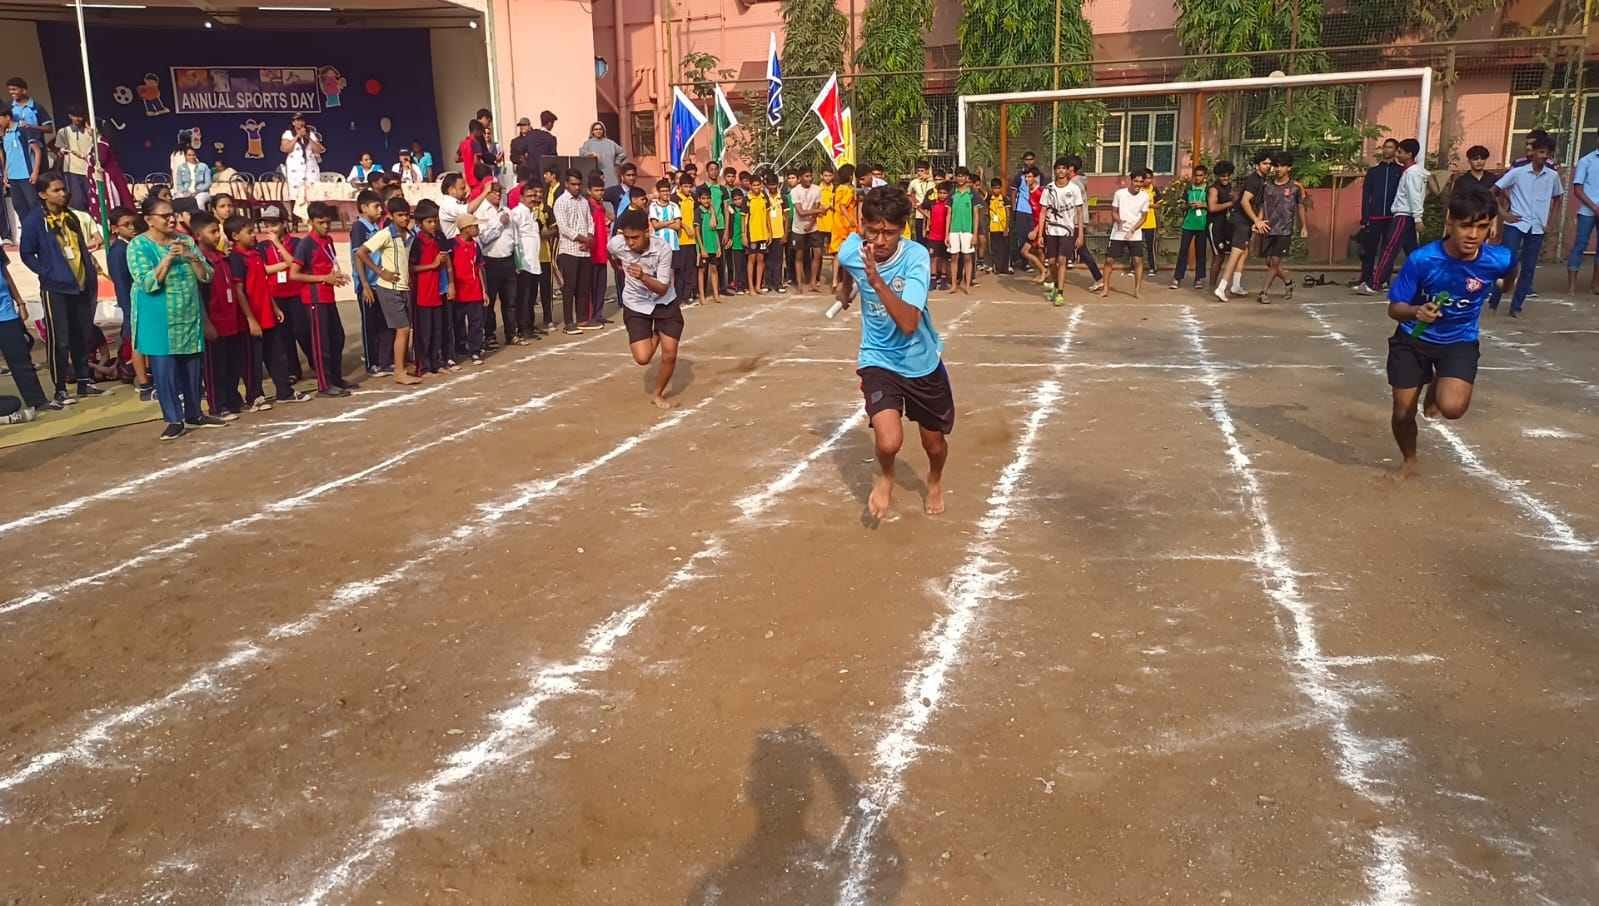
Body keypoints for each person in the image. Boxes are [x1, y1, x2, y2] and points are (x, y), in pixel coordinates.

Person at [834, 186, 948, 520]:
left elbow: (909, 323)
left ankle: (935, 479)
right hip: (878, 358)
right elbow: (845, 260)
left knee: (934, 444)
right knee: (888, 442)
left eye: (890, 233)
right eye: (874, 231)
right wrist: (845, 287)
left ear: (903, 229)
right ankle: (886, 476)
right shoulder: (853, 249)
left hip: (920, 361)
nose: (881, 241)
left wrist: (876, 281)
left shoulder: (916, 257)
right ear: (863, 225)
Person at [1386, 189, 1515, 481]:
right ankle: (1409, 460)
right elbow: (1394, 309)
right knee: (1403, 413)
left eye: (1482, 227)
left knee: (1452, 408)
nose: (1473, 235)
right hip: (1413, 339)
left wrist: (1504, 287)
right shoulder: (1423, 259)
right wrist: (1416, 311)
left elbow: (1511, 270)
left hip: (1459, 340)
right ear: (1450, 222)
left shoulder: (1499, 259)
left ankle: (1437, 382)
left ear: (1491, 226)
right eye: (1465, 226)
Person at [128, 195, 224, 440]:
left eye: (172, 215)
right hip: (158, 316)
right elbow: (147, 283)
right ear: (149, 220)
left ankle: (195, 413)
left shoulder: (185, 240)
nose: (171, 219)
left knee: (192, 366)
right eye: (164, 216)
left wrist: (191, 257)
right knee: (165, 370)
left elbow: (207, 276)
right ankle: (173, 419)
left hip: (188, 312)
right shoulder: (138, 246)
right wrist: (168, 259)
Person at [20, 173, 103, 405]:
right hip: (55, 287)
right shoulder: (35, 220)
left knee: (81, 334)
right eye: (56, 190)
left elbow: (79, 246)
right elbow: (27, 253)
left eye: (63, 189)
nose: (63, 193)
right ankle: (60, 388)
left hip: (80, 284)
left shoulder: (71, 216)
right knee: (60, 338)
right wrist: (46, 271)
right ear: (42, 194)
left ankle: (84, 381)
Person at [228, 214, 311, 403]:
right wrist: (250, 320)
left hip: (266, 312)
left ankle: (285, 392)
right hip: (252, 316)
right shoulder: (236, 258)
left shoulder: (256, 254)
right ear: (235, 236)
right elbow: (239, 291)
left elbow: (263, 283)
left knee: (276, 354)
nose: (254, 235)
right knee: (253, 359)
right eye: (249, 232)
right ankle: (255, 395)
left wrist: (274, 307)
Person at [607, 207, 683, 410]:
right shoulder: (618, 244)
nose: (630, 243)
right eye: (627, 237)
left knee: (669, 354)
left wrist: (642, 276)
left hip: (664, 302)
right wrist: (617, 267)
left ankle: (658, 394)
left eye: (635, 237)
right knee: (642, 358)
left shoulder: (663, 249)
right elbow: (610, 250)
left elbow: (663, 288)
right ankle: (657, 332)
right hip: (636, 304)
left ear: (647, 231)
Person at [1490, 133, 1562, 318]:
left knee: (1529, 268)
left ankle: (1516, 307)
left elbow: (1558, 198)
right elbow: (1493, 191)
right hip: (1516, 224)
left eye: (1547, 153)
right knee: (1507, 262)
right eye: (1541, 152)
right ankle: (1495, 298)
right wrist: (1503, 213)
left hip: (1537, 226)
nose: (1544, 156)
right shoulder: (1518, 172)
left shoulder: (1552, 176)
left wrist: (1550, 221)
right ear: (1533, 153)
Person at [354, 197, 422, 383]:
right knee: (403, 328)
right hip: (389, 289)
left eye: (407, 215)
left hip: (404, 287)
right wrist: (380, 272)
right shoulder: (385, 234)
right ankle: (399, 372)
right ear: (391, 216)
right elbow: (361, 252)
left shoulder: (410, 234)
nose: (404, 218)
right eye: (400, 215)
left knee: (404, 329)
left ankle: (401, 365)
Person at [288, 200, 352, 396]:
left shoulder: (328, 240)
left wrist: (335, 277)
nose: (325, 226)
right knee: (321, 342)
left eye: (327, 222)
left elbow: (327, 266)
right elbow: (294, 274)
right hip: (314, 299)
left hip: (328, 296)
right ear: (311, 222)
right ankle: (324, 384)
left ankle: (335, 378)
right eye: (320, 222)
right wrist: (324, 278)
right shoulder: (306, 244)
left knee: (337, 337)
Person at [191, 211, 249, 418]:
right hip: (214, 322)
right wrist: (207, 324)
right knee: (215, 367)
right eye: (213, 232)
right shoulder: (198, 261)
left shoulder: (222, 257)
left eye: (219, 231)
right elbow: (199, 296)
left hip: (230, 320)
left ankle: (233, 399)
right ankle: (218, 405)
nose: (218, 236)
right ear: (198, 235)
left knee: (232, 364)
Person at [1370, 138, 1429, 295]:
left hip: (1404, 215)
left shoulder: (1412, 173)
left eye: (1400, 152)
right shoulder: (1414, 172)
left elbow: (1414, 196)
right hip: (1406, 215)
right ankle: (1426, 282)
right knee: (1413, 252)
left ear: (1409, 154)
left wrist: (1418, 218)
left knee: (1389, 249)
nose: (1397, 154)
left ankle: (1375, 283)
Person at [257, 205, 308, 382]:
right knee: (285, 335)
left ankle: (316, 364)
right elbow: (264, 269)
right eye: (266, 225)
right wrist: (286, 264)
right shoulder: (262, 247)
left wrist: (278, 245)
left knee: (303, 330)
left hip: (297, 292)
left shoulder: (295, 243)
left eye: (274, 224)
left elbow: (296, 264)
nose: (270, 229)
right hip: (276, 295)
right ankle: (293, 370)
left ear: (284, 224)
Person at [1214, 151, 1272, 302]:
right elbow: (1244, 201)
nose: (1268, 166)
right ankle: (1221, 288)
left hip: (1246, 221)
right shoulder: (1254, 180)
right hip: (1240, 221)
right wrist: (1256, 220)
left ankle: (1236, 285)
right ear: (1257, 165)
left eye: (1269, 164)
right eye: (1265, 163)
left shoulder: (1263, 180)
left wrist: (1256, 221)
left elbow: (1260, 203)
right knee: (1235, 254)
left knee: (1244, 252)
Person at [106, 207, 151, 399]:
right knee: (136, 341)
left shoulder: (132, 245)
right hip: (132, 303)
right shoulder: (118, 251)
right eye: (126, 225)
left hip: (140, 301)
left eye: (134, 223)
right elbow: (122, 283)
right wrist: (129, 307)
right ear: (115, 228)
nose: (132, 228)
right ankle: (141, 380)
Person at [0, 246, 50, 416]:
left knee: (20, 358)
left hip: (6, 313)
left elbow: (6, 275)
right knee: (11, 404)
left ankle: (37, 401)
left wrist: (20, 303)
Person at [348, 190, 391, 375]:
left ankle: (384, 361)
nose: (380, 210)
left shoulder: (377, 228)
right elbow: (358, 256)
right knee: (369, 326)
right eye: (376, 206)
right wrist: (364, 284)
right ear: (364, 208)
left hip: (379, 283)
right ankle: (371, 363)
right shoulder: (359, 228)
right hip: (367, 285)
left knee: (383, 323)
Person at [1257, 152, 1308, 303]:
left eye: (1282, 166)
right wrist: (1258, 222)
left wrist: (1304, 226)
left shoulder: (1295, 187)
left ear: (1289, 168)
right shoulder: (1267, 186)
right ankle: (1288, 281)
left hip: (1284, 230)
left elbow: (1301, 207)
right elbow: (1262, 205)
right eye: (1276, 166)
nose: (1278, 169)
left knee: (1274, 261)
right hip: (1268, 228)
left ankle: (1263, 292)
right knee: (1269, 262)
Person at [1354, 138, 1403, 294]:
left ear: (1396, 150)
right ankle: (1365, 279)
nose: (1387, 150)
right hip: (1374, 217)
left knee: (1387, 250)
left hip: (1392, 217)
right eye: (1385, 147)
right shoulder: (1373, 172)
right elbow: (1366, 196)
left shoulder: (1401, 172)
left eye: (1391, 147)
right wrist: (1365, 217)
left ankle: (1383, 280)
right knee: (1369, 250)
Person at [410, 199, 453, 374]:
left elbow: (447, 259)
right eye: (429, 221)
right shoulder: (416, 242)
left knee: (437, 330)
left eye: (435, 221)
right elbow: (411, 267)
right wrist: (432, 265)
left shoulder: (438, 238)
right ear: (420, 224)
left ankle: (436, 363)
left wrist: (449, 283)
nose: (433, 224)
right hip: (423, 293)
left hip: (437, 291)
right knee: (424, 332)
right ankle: (423, 365)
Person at [477, 180, 522, 346]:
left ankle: (511, 334)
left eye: (499, 191)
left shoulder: (507, 211)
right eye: (494, 191)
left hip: (508, 260)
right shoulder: (481, 212)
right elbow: (483, 239)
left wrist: (517, 260)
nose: (497, 195)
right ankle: (490, 335)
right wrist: (499, 224)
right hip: (490, 260)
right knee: (490, 301)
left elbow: (514, 238)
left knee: (510, 300)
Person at [554, 168, 595, 335]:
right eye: (573, 184)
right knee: (569, 288)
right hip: (569, 250)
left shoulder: (584, 201)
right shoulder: (561, 202)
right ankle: (568, 322)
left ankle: (582, 319)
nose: (577, 187)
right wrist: (584, 239)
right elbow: (564, 228)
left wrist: (590, 237)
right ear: (566, 184)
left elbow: (590, 221)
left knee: (583, 287)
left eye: (579, 184)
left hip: (584, 251)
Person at [509, 182, 548, 343]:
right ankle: (523, 328)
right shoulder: (517, 213)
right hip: (524, 262)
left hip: (534, 262)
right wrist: (517, 262)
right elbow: (514, 238)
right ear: (521, 198)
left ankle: (530, 326)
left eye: (534, 195)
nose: (533, 198)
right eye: (529, 196)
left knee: (531, 297)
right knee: (523, 298)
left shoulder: (532, 213)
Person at [447, 211, 488, 363]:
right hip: (458, 291)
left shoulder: (476, 246)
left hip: (474, 290)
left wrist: (484, 290)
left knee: (476, 322)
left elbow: (479, 268)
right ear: (466, 228)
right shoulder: (452, 245)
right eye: (475, 226)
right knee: (457, 321)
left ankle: (475, 350)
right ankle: (459, 347)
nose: (478, 229)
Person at [1104, 170, 1151, 299]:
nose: (1138, 184)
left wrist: (1133, 229)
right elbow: (1114, 212)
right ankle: (1105, 288)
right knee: (1109, 260)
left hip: (1135, 232)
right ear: (1131, 180)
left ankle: (1137, 290)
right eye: (1136, 181)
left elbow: (1143, 217)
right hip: (1118, 232)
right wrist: (1119, 221)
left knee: (1137, 260)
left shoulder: (1145, 196)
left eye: (1141, 182)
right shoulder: (1120, 193)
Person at [3, 107, 44, 231]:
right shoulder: (5, 134)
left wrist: (35, 172)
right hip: (13, 177)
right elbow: (8, 155)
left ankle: (42, 232)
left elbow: (37, 151)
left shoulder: (22, 129)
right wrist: (5, 174)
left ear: (7, 117)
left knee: (33, 205)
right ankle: (28, 232)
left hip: (26, 175)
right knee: (19, 206)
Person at [1566, 142, 1599, 295]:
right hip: (1587, 210)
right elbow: (1577, 190)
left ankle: (1595, 285)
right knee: (1580, 244)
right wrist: (1594, 207)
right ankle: (1571, 286)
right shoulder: (1586, 160)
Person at [1171, 163, 1210, 290]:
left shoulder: (1208, 189)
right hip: (1188, 224)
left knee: (1201, 252)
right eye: (1196, 175)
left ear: (1205, 176)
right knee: (1183, 251)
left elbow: (1213, 205)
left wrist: (1202, 205)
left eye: (1200, 175)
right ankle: (1177, 278)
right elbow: (1182, 204)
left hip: (1202, 224)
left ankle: (1199, 278)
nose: (1198, 178)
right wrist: (1186, 205)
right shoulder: (1188, 188)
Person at [280, 114, 324, 218]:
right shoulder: (288, 134)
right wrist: (297, 136)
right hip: (295, 168)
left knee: (312, 192)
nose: (300, 123)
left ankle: (313, 218)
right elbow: (285, 149)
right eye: (297, 120)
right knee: (295, 193)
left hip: (310, 167)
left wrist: (308, 137)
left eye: (302, 120)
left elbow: (319, 149)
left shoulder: (310, 133)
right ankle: (295, 220)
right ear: (293, 123)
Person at [585, 173, 614, 326]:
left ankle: (598, 314)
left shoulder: (600, 206)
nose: (600, 193)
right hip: (592, 251)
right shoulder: (587, 206)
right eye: (596, 190)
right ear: (589, 191)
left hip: (602, 250)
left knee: (601, 285)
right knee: (592, 286)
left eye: (602, 190)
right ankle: (590, 316)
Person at [52, 107, 94, 211]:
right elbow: (57, 149)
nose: (78, 119)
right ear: (70, 116)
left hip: (90, 170)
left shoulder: (90, 130)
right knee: (77, 201)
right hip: (72, 171)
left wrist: (92, 133)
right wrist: (60, 152)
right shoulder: (63, 131)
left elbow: (98, 145)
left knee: (93, 200)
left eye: (80, 116)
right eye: (75, 116)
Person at [944, 168, 977, 294]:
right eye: (958, 176)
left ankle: (967, 285)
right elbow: (948, 214)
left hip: (967, 230)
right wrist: (946, 234)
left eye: (963, 176)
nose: (960, 178)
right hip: (954, 229)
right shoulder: (952, 193)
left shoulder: (972, 193)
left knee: (968, 257)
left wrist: (974, 234)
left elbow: (976, 215)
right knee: (954, 257)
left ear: (967, 177)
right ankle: (954, 285)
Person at [790, 166, 824, 293]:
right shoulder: (795, 191)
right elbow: (800, 212)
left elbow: (816, 207)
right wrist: (819, 210)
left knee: (818, 254)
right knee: (799, 256)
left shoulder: (817, 189)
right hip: (798, 228)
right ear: (800, 178)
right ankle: (799, 283)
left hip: (813, 227)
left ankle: (813, 282)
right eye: (806, 176)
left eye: (810, 176)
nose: (809, 178)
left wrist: (811, 223)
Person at [1206, 160, 1235, 286]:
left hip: (1226, 225)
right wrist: (1231, 203)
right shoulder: (1214, 189)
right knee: (1218, 256)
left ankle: (1217, 284)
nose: (1226, 178)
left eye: (1228, 175)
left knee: (1223, 256)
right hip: (1214, 225)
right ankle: (1211, 285)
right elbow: (1212, 207)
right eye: (1223, 176)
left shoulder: (1230, 187)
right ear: (1218, 176)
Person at [694, 186, 724, 304]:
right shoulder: (698, 212)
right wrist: (702, 249)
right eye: (703, 198)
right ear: (699, 199)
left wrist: (718, 247)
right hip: (704, 247)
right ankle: (702, 295)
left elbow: (715, 231)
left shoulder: (712, 212)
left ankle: (716, 294)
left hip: (713, 246)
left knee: (714, 270)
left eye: (708, 198)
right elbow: (697, 232)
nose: (706, 200)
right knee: (702, 271)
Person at [830, 164, 858, 286]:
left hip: (837, 222)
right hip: (846, 224)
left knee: (837, 252)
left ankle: (834, 280)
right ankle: (849, 280)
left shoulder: (838, 188)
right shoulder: (848, 190)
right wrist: (850, 219)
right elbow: (842, 206)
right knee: (850, 251)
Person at [580, 121, 628, 187]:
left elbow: (623, 153)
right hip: (595, 174)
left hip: (610, 174)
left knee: (611, 190)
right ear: (592, 131)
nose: (598, 131)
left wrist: (617, 162)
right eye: (596, 129)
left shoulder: (610, 143)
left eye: (600, 129)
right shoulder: (588, 144)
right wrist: (590, 154)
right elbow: (582, 153)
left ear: (603, 131)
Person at [728, 188, 749, 295]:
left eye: (739, 198)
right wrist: (730, 238)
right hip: (736, 242)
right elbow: (730, 225)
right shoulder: (731, 210)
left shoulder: (747, 208)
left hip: (746, 240)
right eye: (735, 199)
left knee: (746, 264)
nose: (738, 201)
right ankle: (739, 286)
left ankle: (746, 285)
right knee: (738, 266)